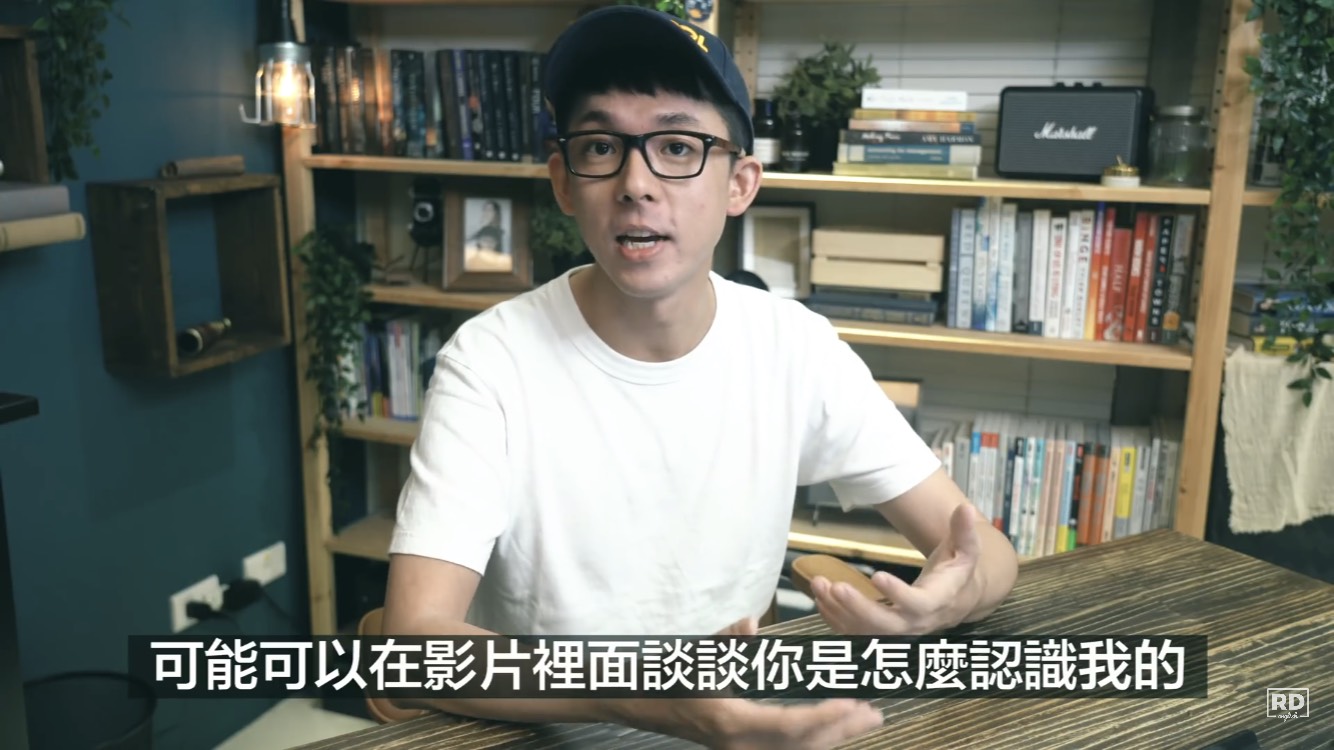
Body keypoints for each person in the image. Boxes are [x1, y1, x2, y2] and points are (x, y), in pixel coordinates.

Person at [381, 6, 1019, 748]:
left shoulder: (793, 347)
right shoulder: (489, 362)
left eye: (679, 147)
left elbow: (986, 551)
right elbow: (415, 644)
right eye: (601, 147)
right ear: (564, 182)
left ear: (740, 183)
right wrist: (642, 699)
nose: (636, 183)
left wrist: (950, 599)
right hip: (549, 733)